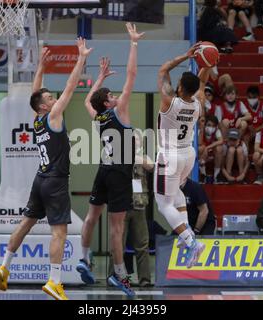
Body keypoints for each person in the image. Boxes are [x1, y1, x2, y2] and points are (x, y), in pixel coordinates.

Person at [0, 38, 92, 300]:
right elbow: (71, 87)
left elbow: (34, 94)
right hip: (56, 181)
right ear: (46, 107)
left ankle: (4, 266)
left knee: (26, 223)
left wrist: (40, 68)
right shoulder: (53, 115)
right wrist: (80, 58)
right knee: (59, 232)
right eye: (50, 98)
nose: (54, 97)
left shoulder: (37, 119)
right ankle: (54, 281)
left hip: (40, 179)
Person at [78, 23, 144, 297]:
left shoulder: (99, 117)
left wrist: (100, 79)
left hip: (103, 171)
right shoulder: (120, 112)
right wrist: (133, 43)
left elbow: (86, 103)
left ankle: (83, 257)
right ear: (108, 103)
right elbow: (132, 73)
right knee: (116, 228)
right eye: (111, 96)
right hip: (118, 174)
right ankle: (120, 276)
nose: (116, 96)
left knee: (91, 217)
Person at [155, 43, 210, 269]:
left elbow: (162, 70)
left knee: (163, 204)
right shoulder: (198, 103)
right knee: (176, 193)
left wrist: (186, 56)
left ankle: (191, 242)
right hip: (188, 155)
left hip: (170, 155)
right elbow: (203, 81)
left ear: (179, 87)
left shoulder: (170, 101)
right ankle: (185, 233)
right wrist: (207, 62)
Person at [109, 133, 154, 288]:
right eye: (132, 140)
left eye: (137, 140)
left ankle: (145, 280)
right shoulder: (116, 155)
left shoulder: (144, 157)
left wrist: (134, 156)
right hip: (120, 206)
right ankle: (113, 278)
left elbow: (151, 166)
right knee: (117, 243)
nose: (135, 142)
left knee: (142, 244)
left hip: (139, 206)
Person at [243, 85, 263, 150]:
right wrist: (250, 130)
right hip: (249, 131)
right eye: (250, 97)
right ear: (247, 96)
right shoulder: (244, 106)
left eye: (254, 97)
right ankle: (246, 159)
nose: (252, 99)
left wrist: (256, 130)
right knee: (245, 137)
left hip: (261, 130)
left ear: (258, 97)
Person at [198, 115, 224, 183]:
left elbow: (221, 141)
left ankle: (216, 175)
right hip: (203, 153)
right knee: (201, 148)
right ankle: (202, 174)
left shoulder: (217, 131)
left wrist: (208, 147)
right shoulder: (200, 130)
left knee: (220, 148)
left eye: (213, 126)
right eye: (209, 125)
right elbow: (199, 142)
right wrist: (201, 129)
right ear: (205, 124)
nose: (211, 128)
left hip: (212, 152)